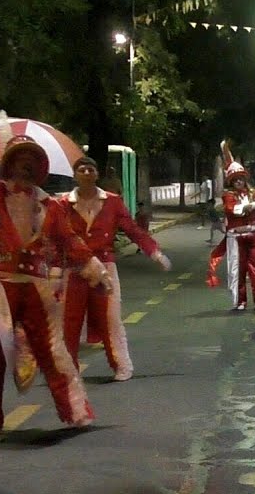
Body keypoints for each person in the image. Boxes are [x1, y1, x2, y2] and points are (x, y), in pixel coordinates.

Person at [0, 135, 107, 431]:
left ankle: (75, 410)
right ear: (8, 165)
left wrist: (95, 271)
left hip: (35, 284)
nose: (26, 168)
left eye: (32, 163)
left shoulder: (49, 205)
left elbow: (70, 241)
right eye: (20, 162)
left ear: (40, 169)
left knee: (52, 348)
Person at [56, 157, 171, 381]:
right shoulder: (62, 204)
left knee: (110, 318)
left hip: (105, 268)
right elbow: (54, 235)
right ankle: (68, 368)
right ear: (75, 175)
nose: (87, 173)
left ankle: (121, 365)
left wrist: (154, 252)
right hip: (75, 268)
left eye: (91, 169)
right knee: (70, 321)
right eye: (82, 169)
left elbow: (133, 230)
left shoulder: (112, 202)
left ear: (97, 174)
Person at [211, 141, 255, 311]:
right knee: (237, 271)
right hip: (237, 239)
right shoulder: (229, 195)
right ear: (231, 182)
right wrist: (251, 207)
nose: (239, 182)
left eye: (241, 179)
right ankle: (240, 301)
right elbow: (232, 210)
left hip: (254, 237)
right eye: (235, 180)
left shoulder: (253, 192)